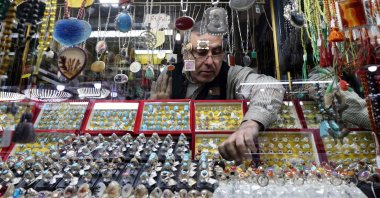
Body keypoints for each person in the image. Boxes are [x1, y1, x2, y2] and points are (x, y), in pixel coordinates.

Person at [150, 22, 285, 164]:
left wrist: (251, 124)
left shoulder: (232, 75)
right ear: (186, 54)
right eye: (201, 53)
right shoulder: (170, 75)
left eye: (216, 53)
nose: (210, 61)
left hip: (221, 160)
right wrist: (159, 111)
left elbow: (271, 86)